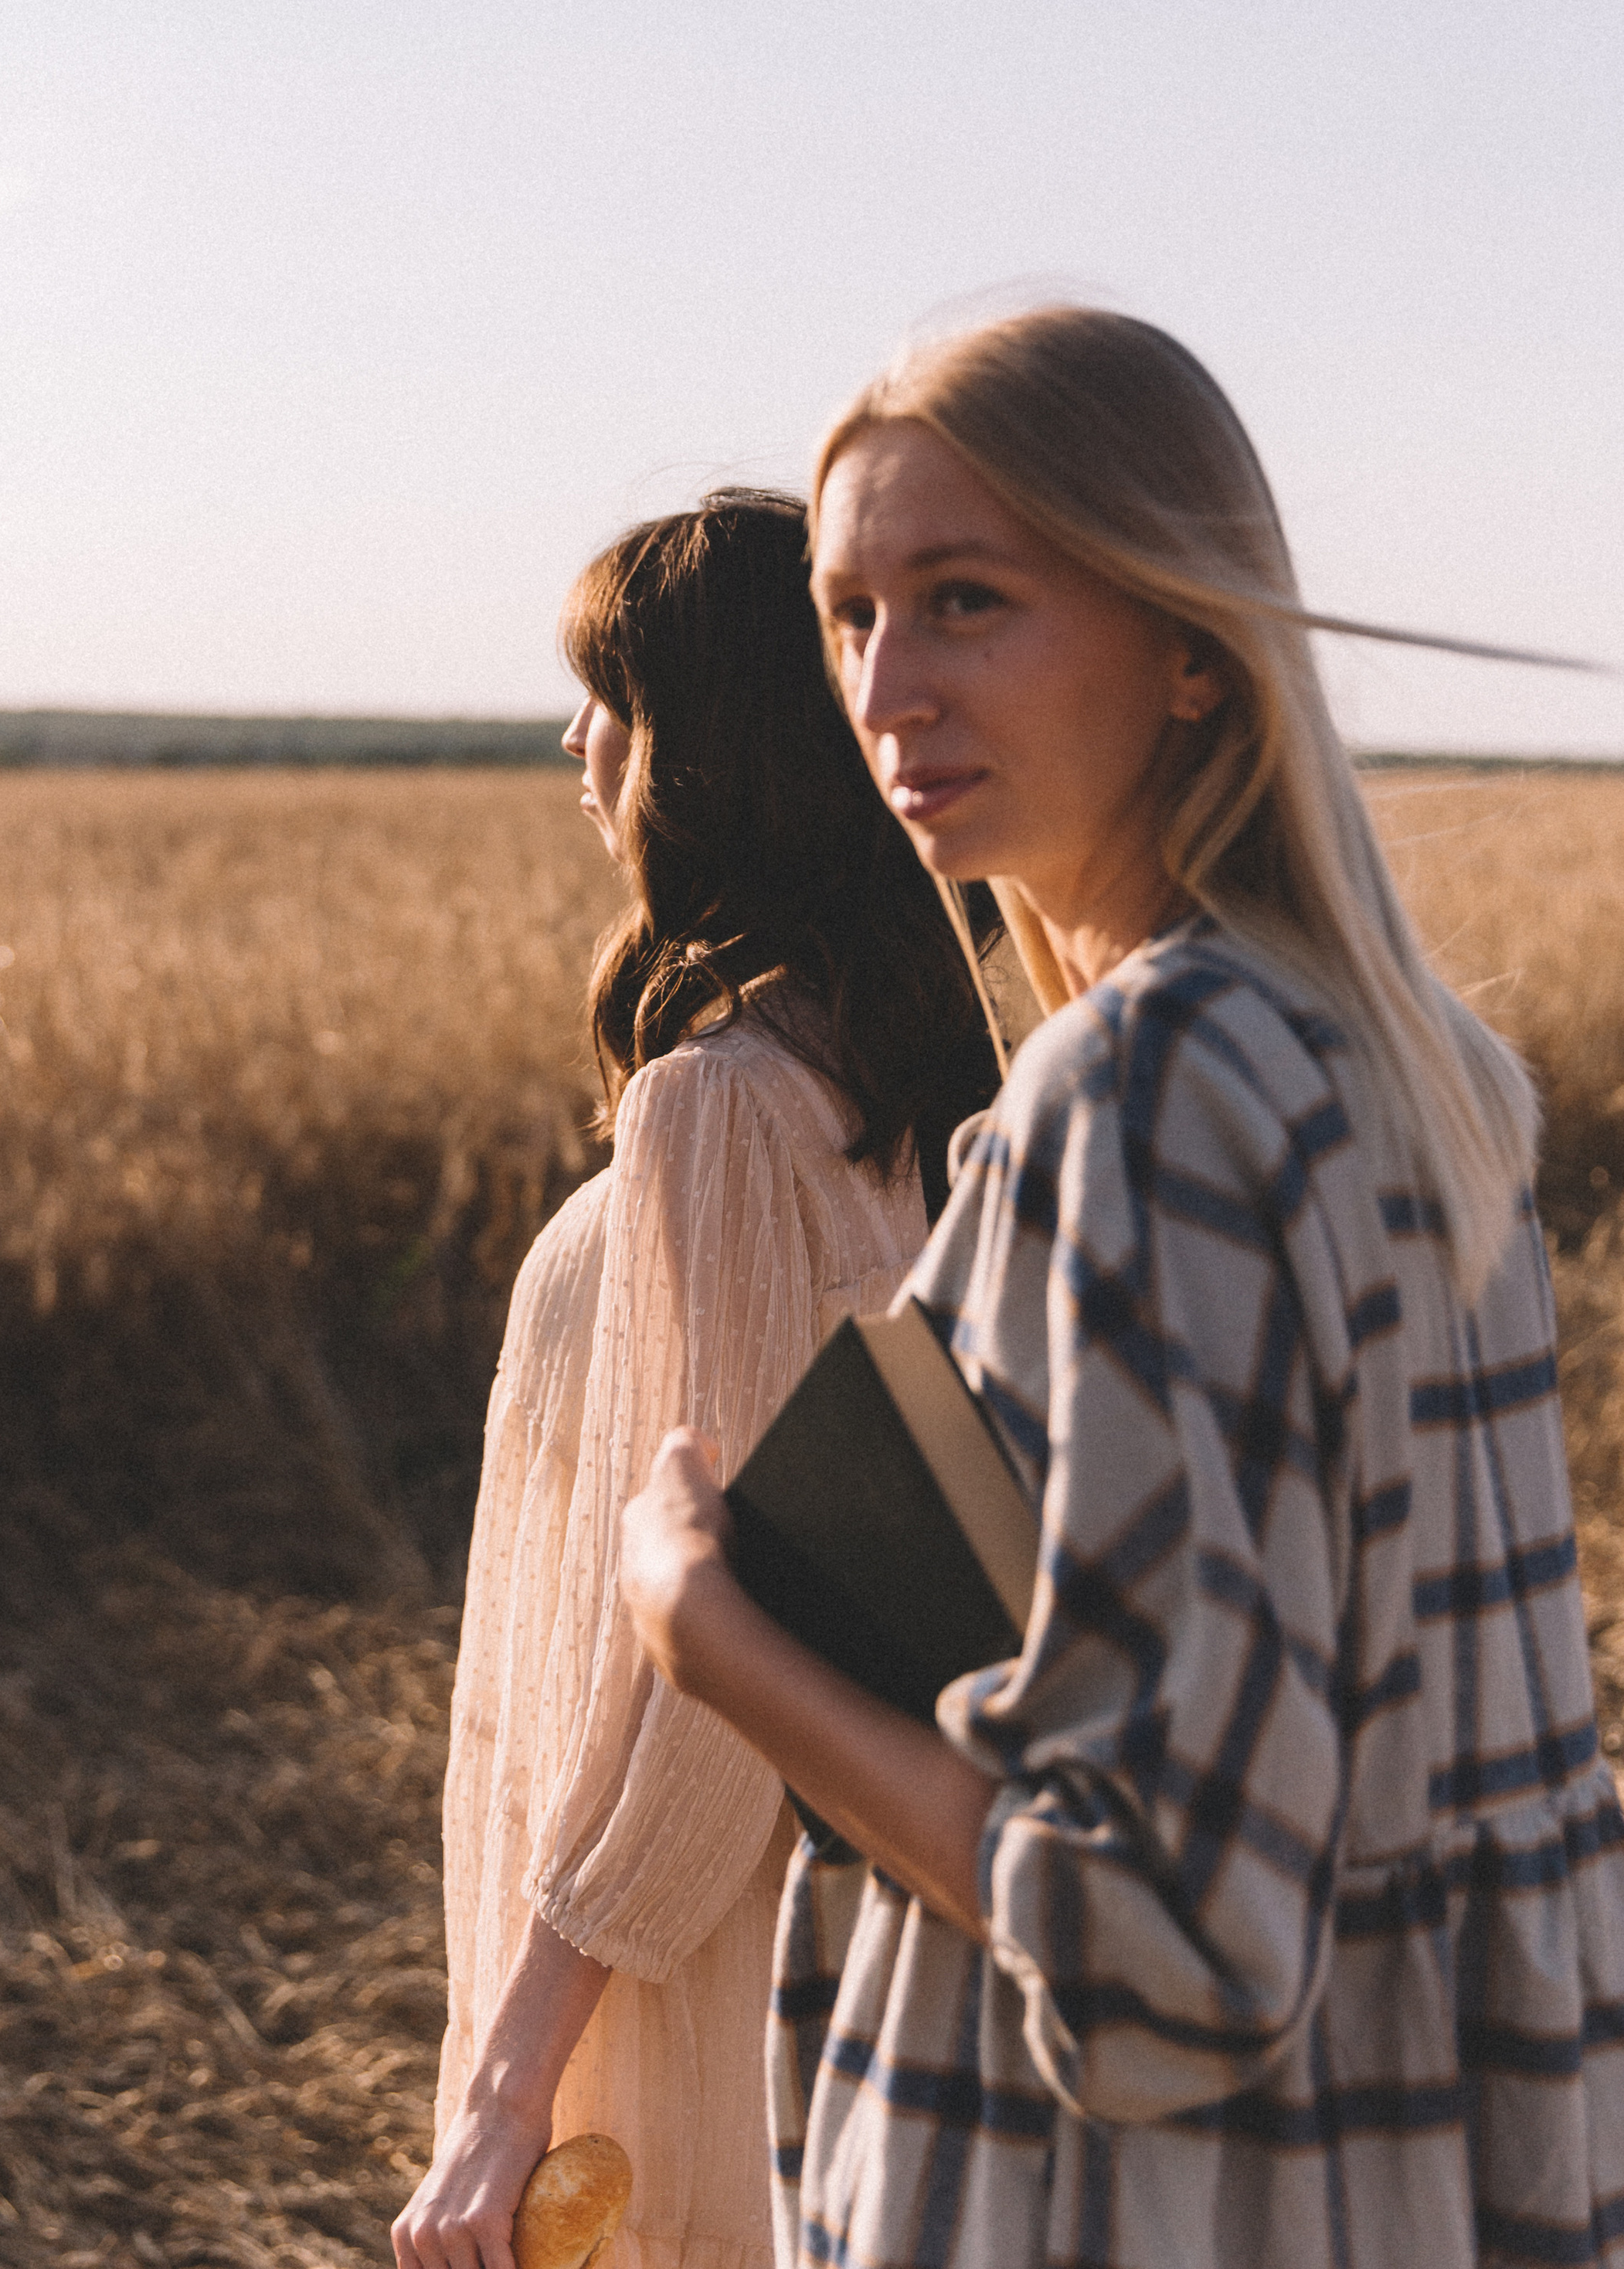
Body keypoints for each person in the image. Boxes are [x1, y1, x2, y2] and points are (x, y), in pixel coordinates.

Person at [620, 311, 1624, 2269]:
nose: (886, 689)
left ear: (1190, 644)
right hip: (1413, 2172)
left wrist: (708, 1634)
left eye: (965, 600)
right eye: (847, 618)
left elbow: (1172, 1945)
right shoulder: (1406, 1063)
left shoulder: (1149, 1093)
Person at [394, 490, 1001, 2269]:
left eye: (607, 691)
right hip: (825, 1915)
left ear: (698, 744)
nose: (572, 737)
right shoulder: (920, 1074)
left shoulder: (721, 1105)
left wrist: (513, 2087)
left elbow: (715, 1656)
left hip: (683, 1963)